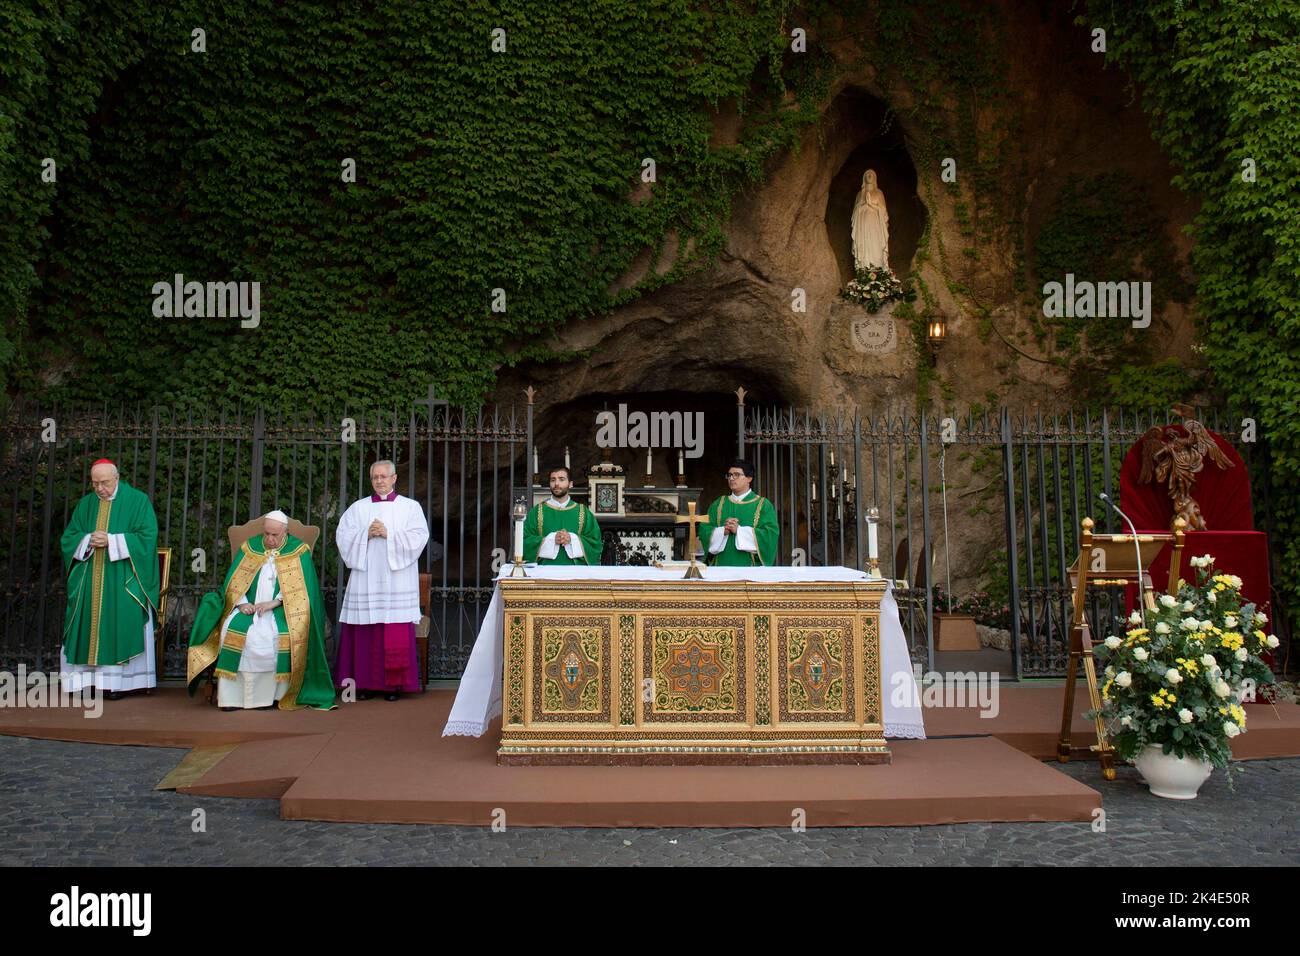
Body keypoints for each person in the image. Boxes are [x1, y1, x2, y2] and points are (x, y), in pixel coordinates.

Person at [186, 510, 335, 710]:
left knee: (272, 635)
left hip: (281, 610)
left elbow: (303, 591)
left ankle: (271, 697)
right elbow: (234, 583)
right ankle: (232, 699)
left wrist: (273, 603)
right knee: (233, 629)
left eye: (275, 535)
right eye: (267, 534)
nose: (270, 539)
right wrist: (241, 603)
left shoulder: (299, 551)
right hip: (248, 607)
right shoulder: (250, 548)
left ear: (286, 532)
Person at [59, 458, 160, 700]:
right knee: (83, 619)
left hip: (123, 576)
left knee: (123, 616)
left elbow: (148, 537)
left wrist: (113, 541)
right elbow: (69, 537)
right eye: (95, 483)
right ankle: (84, 681)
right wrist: (86, 540)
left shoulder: (137, 501)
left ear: (116, 478)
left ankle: (117, 684)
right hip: (90, 575)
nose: (99, 488)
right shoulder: (86, 504)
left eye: (104, 483)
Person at [335, 459, 429, 701]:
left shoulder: (410, 507)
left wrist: (389, 534)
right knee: (365, 629)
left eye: (383, 476)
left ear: (394, 478)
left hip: (396, 579)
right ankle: (364, 684)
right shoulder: (358, 508)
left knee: (393, 628)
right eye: (375, 477)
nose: (379, 481)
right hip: (365, 577)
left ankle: (393, 686)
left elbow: (420, 536)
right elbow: (343, 536)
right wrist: (365, 533)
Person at [697, 459, 779, 566]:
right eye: (729, 475)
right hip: (721, 567)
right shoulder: (718, 504)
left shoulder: (763, 505)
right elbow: (704, 530)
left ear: (749, 478)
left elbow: (770, 536)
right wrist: (723, 531)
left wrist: (739, 531)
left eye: (736, 475)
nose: (731, 478)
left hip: (750, 568)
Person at [523, 465, 602, 565]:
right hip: (544, 572)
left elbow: (595, 543)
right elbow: (525, 542)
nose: (556, 483)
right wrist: (551, 539)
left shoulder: (583, 512)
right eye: (553, 480)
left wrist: (572, 539)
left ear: (570, 484)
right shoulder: (536, 512)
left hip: (576, 574)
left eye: (561, 479)